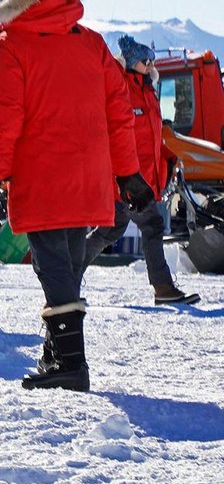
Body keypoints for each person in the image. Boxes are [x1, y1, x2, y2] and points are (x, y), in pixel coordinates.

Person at [0, 0, 154, 392]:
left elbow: (3, 120)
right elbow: (120, 114)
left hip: (42, 177)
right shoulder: (92, 44)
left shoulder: (11, 45)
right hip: (88, 177)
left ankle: (71, 365)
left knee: (52, 265)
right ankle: (56, 354)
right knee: (68, 264)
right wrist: (128, 173)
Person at [82, 36, 197, 304]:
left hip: (142, 179)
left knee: (110, 231)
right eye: (146, 61)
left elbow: (151, 137)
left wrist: (167, 157)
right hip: (128, 181)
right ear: (133, 62)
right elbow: (120, 137)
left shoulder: (147, 92)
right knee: (152, 225)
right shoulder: (121, 88)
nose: (150, 65)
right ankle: (163, 288)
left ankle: (67, 278)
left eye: (151, 61)